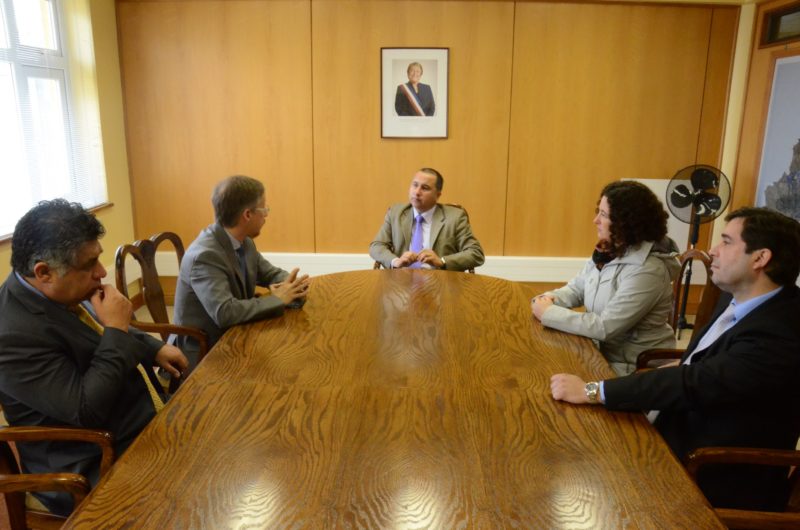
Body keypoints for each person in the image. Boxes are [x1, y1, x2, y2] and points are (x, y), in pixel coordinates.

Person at [551, 207, 800, 512]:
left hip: (710, 470)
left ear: (760, 258)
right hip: (676, 429)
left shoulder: (780, 331)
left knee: (576, 482)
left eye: (726, 242)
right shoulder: (736, 295)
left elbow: (695, 382)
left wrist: (593, 391)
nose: (713, 251)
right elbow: (698, 364)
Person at [0, 199, 188, 516]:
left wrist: (151, 347)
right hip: (91, 459)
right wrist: (117, 329)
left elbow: (96, 327)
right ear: (44, 272)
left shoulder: (62, 289)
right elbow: (86, 410)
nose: (101, 272)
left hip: (133, 420)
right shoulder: (10, 335)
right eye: (90, 264)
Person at [532, 181, 680, 376]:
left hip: (633, 368)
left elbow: (606, 327)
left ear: (625, 223)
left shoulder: (649, 271)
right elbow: (577, 289)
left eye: (603, 214)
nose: (595, 220)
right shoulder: (609, 250)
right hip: (601, 354)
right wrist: (549, 299)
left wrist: (549, 314)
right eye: (598, 211)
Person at [173, 175, 309, 369]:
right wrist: (278, 299)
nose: (266, 215)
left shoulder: (244, 241)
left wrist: (293, 286)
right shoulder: (205, 255)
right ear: (247, 215)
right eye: (264, 209)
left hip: (238, 334)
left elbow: (269, 274)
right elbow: (225, 312)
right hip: (206, 353)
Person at [369, 168, 485, 272]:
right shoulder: (396, 213)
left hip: (441, 283)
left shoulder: (455, 217)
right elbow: (377, 246)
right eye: (415, 185)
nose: (417, 192)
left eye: (425, 188)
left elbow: (476, 253)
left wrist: (442, 261)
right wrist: (395, 262)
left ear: (438, 195)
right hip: (401, 281)